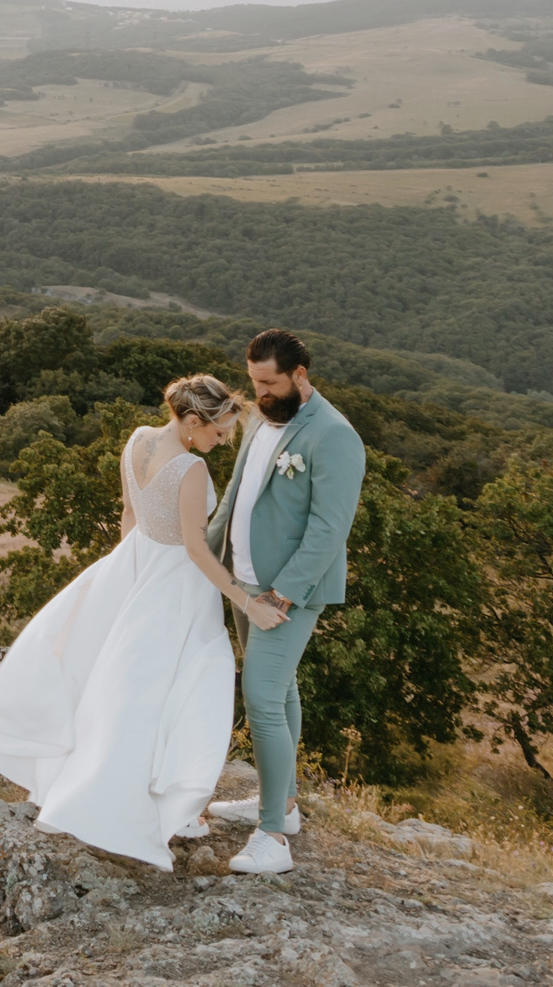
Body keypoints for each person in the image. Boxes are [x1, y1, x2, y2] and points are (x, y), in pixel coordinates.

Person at [0, 374, 276, 871]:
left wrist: (127, 578)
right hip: (178, 586)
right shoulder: (191, 469)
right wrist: (248, 603)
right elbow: (197, 551)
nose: (223, 442)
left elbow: (129, 514)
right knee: (183, 688)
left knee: (131, 688)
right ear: (192, 421)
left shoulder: (138, 439)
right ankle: (163, 807)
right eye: (219, 432)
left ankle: (163, 804)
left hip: (135, 566)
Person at [198, 327, 366, 874]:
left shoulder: (334, 435)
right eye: (254, 383)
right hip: (244, 580)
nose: (260, 393)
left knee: (263, 698)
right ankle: (285, 803)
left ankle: (272, 836)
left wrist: (283, 593)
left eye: (269, 384)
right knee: (281, 686)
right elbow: (237, 495)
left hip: (287, 592)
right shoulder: (261, 416)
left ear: (300, 374)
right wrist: (206, 554)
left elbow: (328, 529)